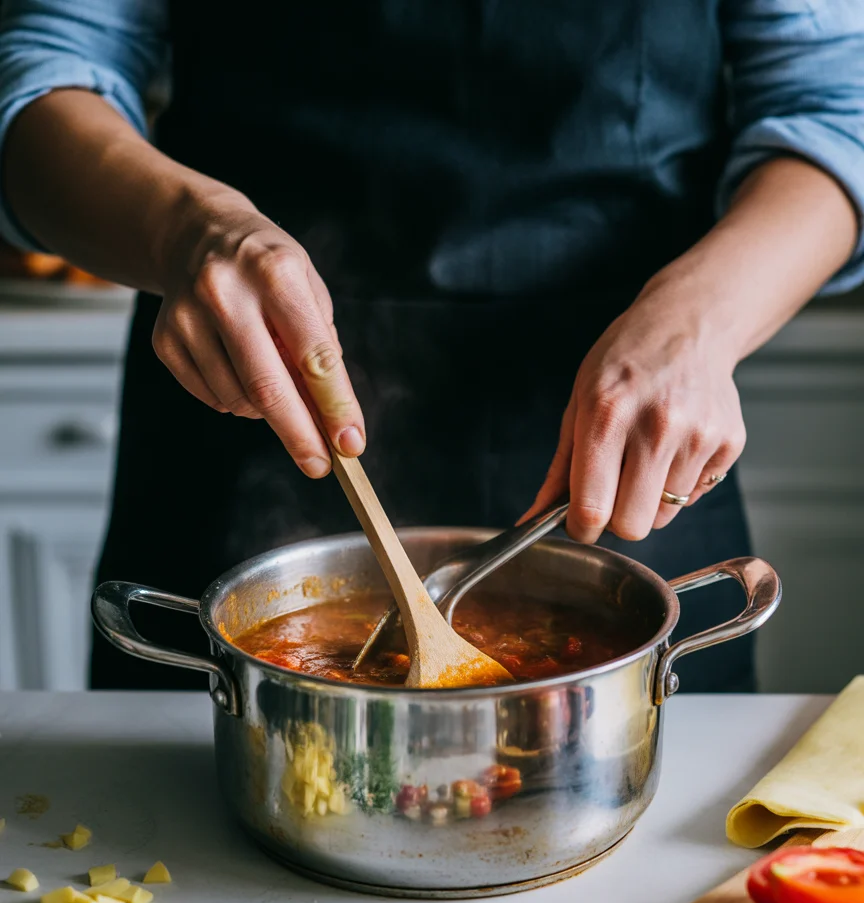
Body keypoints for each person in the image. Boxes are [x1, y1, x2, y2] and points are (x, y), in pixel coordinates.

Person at [0, 1, 862, 693]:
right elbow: (43, 68)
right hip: (242, 398)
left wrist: (698, 321)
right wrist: (183, 232)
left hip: (634, 431)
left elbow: (837, 107)